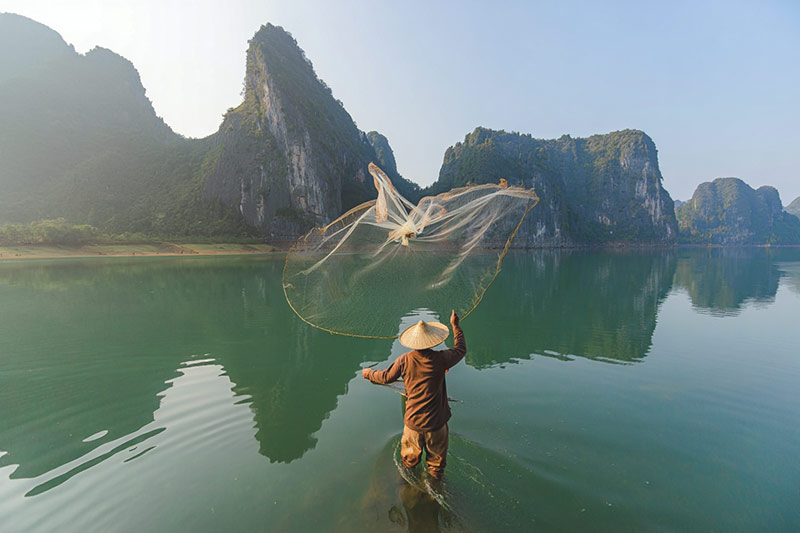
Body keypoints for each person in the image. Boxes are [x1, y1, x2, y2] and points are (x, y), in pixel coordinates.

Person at [362, 310, 466, 479]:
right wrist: (455, 325)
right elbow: (461, 349)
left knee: (408, 464)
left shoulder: (404, 360)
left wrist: (368, 373)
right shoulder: (442, 359)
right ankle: (434, 495)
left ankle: (406, 491)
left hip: (414, 425)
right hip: (436, 425)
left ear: (413, 342)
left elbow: (386, 377)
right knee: (436, 469)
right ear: (432, 340)